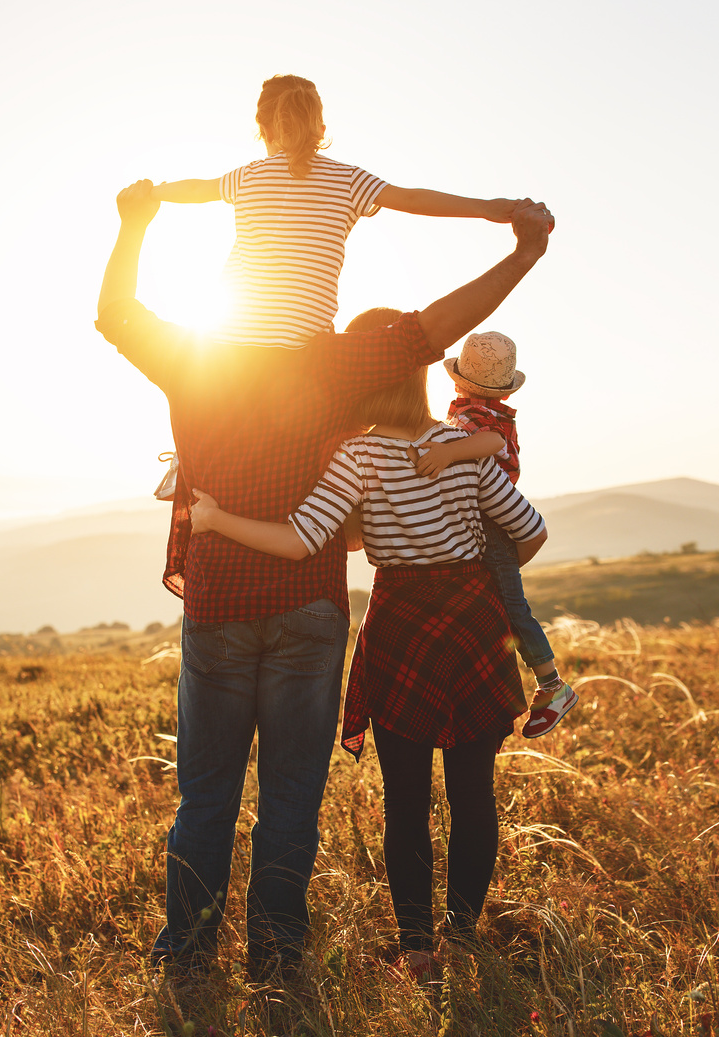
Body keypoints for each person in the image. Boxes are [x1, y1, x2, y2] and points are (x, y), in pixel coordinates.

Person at [94, 177, 554, 982]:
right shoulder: (340, 360)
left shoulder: (193, 354)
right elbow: (441, 325)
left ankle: (188, 953)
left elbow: (116, 314)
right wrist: (522, 250)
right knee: (291, 798)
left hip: (219, 604)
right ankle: (277, 955)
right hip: (309, 607)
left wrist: (134, 225)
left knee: (205, 794)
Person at [186, 356, 547, 1001]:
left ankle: (417, 948)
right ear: (420, 380)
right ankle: (463, 937)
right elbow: (530, 530)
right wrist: (470, 570)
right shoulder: (459, 445)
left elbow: (301, 542)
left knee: (405, 800)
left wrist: (213, 521)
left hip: (402, 624)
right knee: (473, 792)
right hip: (471, 624)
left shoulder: (358, 455)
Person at [152, 74, 519, 350]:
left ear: (263, 130)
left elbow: (197, 188)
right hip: (304, 345)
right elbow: (411, 200)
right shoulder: (348, 179)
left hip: (229, 339)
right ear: (321, 128)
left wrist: (152, 192)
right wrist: (485, 208)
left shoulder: (248, 176)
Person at [409, 331, 578, 737]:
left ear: (458, 380)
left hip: (491, 521)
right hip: (482, 519)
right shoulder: (475, 410)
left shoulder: (481, 419)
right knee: (493, 602)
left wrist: (447, 453)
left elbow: (490, 442)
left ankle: (552, 685)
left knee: (510, 605)